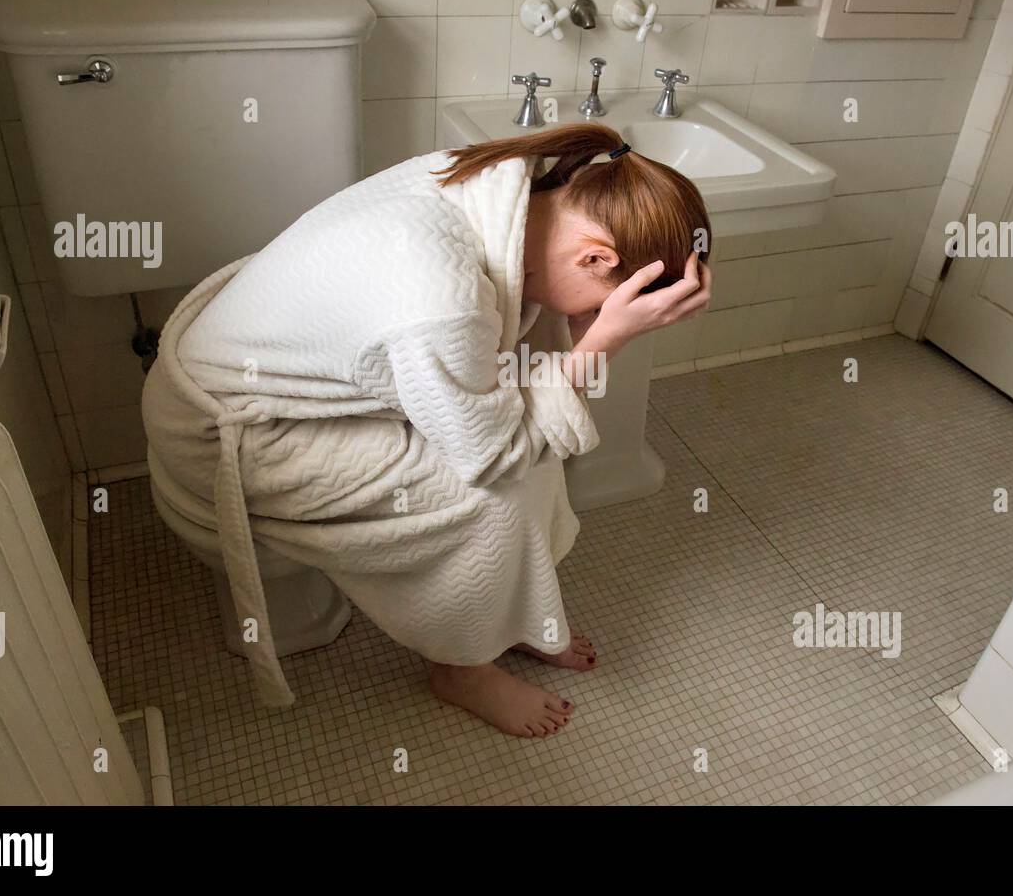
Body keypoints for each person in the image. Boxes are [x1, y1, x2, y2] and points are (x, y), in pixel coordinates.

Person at [142, 122, 712, 737]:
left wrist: (595, 331)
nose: (585, 318)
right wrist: (606, 339)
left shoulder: (501, 182)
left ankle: (517, 617)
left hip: (272, 380)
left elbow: (526, 401)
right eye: (598, 303)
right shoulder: (441, 301)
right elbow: (493, 457)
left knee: (537, 437)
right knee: (496, 493)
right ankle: (461, 668)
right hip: (234, 434)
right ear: (596, 256)